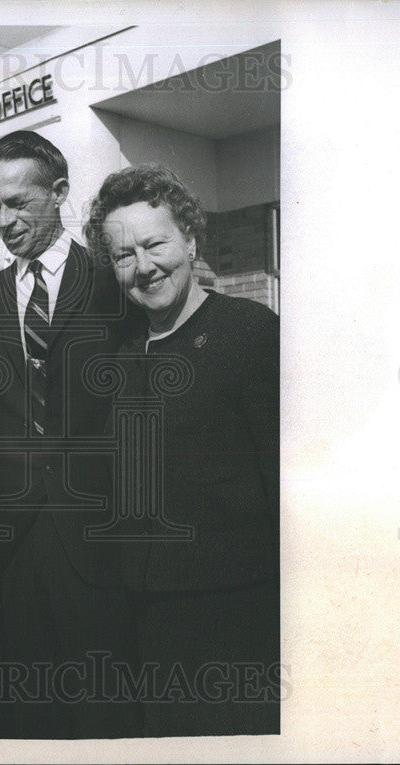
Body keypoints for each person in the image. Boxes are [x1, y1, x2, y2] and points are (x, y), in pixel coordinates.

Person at [0, 131, 141, 738]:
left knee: (103, 715)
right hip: (9, 552)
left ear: (59, 193)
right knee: (19, 720)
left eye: (18, 203)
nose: (4, 220)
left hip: (102, 544)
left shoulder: (119, 286)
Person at [83, 163, 281, 736]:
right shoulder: (121, 353)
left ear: (190, 240)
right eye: (124, 255)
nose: (143, 267)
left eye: (155, 244)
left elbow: (286, 482)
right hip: (145, 619)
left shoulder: (250, 332)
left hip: (236, 617)